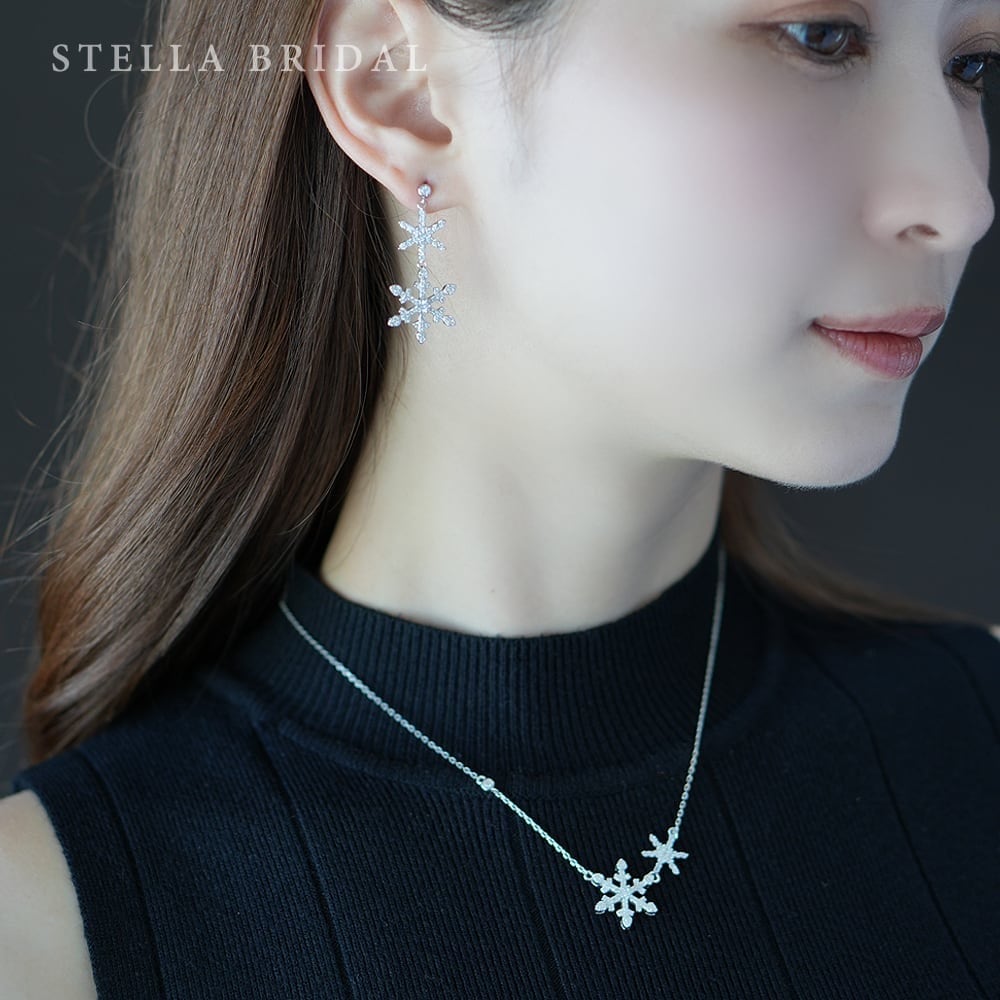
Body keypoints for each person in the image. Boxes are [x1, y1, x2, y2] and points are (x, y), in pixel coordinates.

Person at [2, 0, 999, 996]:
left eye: (972, 67)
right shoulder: (44, 935)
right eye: (820, 37)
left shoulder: (975, 743)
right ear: (401, 89)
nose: (959, 200)